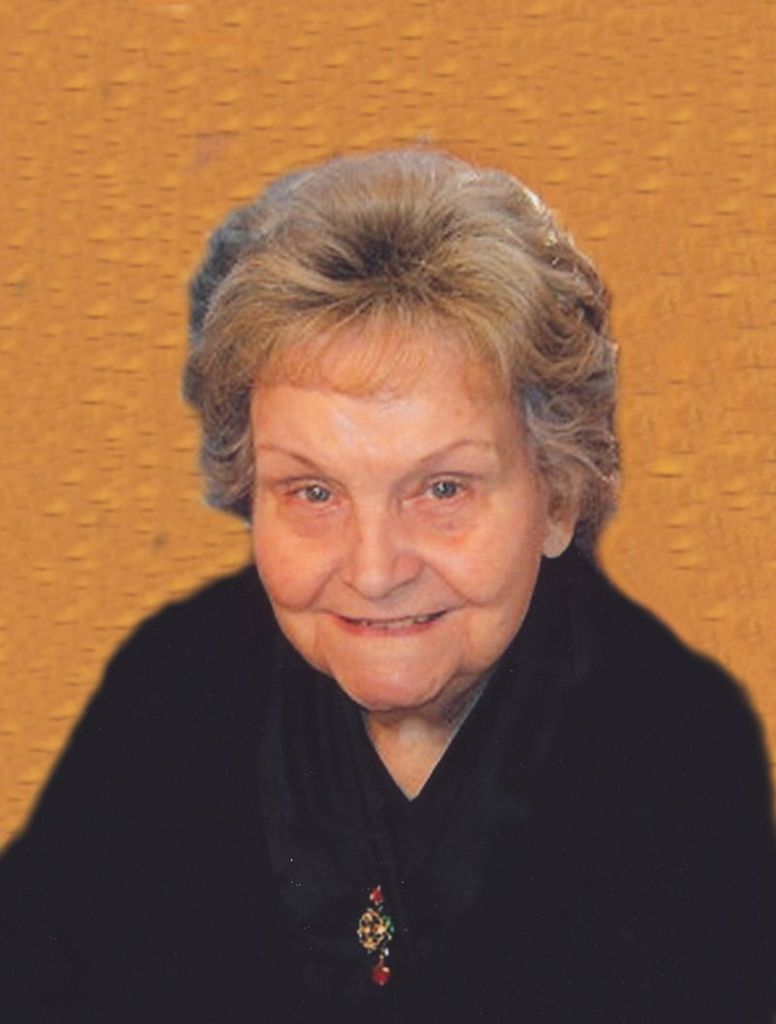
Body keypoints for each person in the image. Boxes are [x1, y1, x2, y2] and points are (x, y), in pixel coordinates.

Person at [1, 149, 773, 1023]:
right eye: (313, 493)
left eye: (442, 489)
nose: (374, 571)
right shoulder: (169, 694)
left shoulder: (678, 755)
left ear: (558, 496)